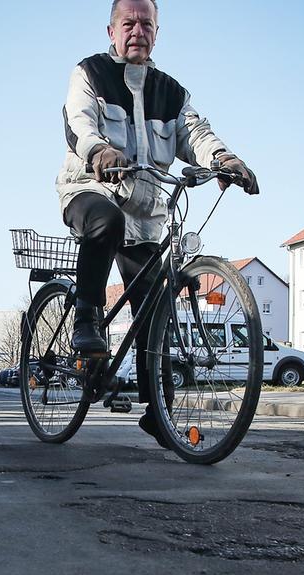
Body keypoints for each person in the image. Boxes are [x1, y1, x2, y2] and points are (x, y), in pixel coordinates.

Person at [57, 0, 259, 443]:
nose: (137, 31)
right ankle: (86, 320)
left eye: (146, 24)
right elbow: (79, 124)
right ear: (111, 31)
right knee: (104, 221)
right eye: (128, 23)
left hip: (147, 218)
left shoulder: (170, 90)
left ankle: (159, 409)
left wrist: (224, 158)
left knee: (155, 310)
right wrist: (100, 152)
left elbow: (195, 133)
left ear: (157, 32)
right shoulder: (89, 74)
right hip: (92, 192)